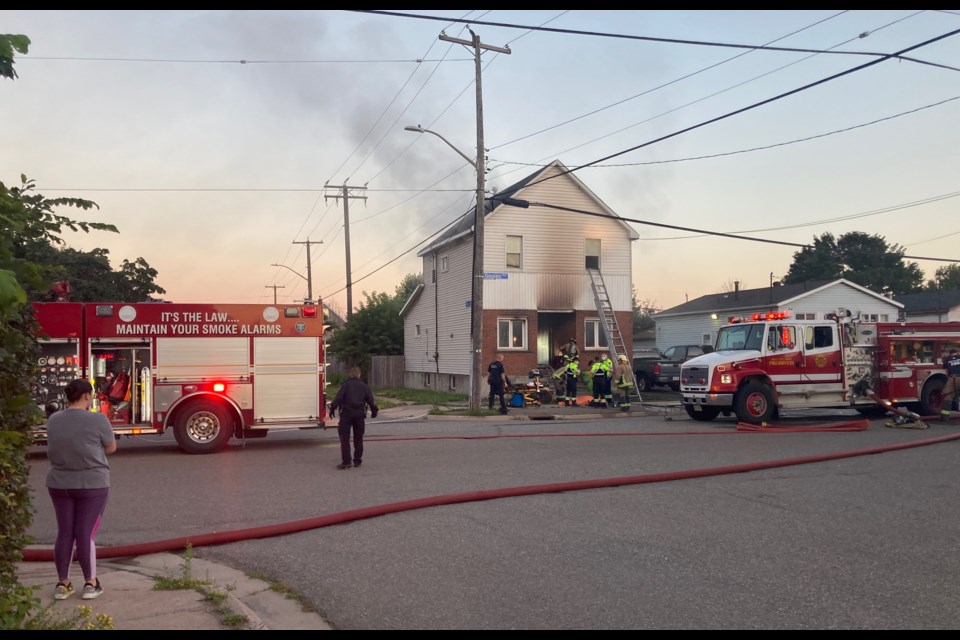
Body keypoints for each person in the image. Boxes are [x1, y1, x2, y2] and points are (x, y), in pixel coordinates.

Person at [45, 378, 116, 601]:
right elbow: (111, 448)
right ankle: (90, 583)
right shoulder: (98, 420)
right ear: (87, 396)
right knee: (85, 534)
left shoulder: (54, 419)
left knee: (65, 532)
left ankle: (63, 584)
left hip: (59, 483)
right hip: (92, 483)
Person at [328, 366, 379, 469]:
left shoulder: (345, 385)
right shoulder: (364, 386)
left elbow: (338, 398)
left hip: (346, 414)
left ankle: (346, 461)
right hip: (359, 414)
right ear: (359, 375)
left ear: (350, 374)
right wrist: (374, 412)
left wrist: (332, 409)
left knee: (345, 438)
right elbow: (371, 401)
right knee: (358, 438)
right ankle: (357, 461)